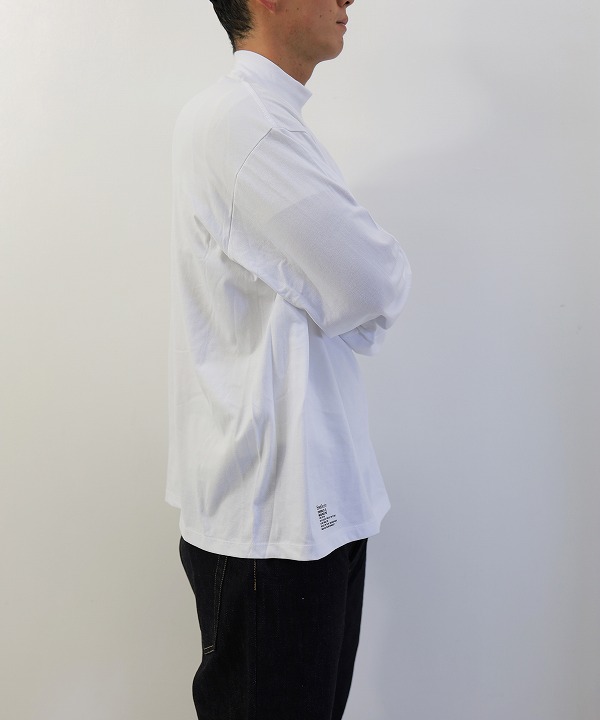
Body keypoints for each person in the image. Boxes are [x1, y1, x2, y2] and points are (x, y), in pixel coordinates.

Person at [167, 1, 412, 718]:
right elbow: (373, 282)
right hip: (272, 522)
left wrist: (345, 295)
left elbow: (352, 289)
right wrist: (354, 291)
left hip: (301, 508)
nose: (348, 0)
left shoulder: (266, 120)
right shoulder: (244, 125)